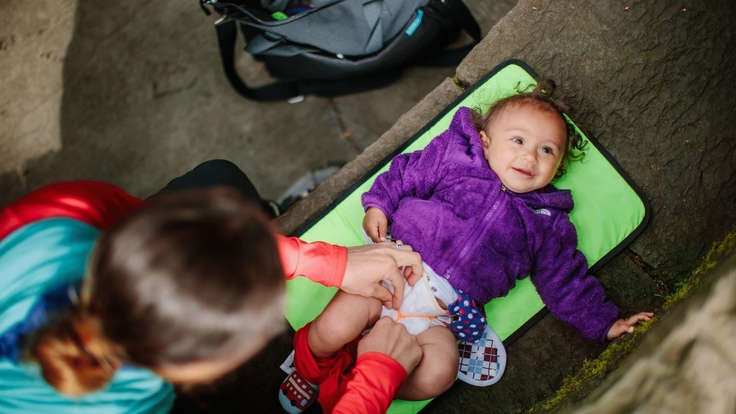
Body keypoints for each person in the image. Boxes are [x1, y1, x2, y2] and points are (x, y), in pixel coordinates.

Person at [284, 80, 654, 409]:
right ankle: (310, 366)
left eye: (547, 151)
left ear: (558, 166)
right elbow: (407, 172)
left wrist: (604, 323)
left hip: (442, 316)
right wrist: (378, 203)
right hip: (389, 276)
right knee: (331, 329)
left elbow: (566, 280)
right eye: (519, 140)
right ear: (486, 141)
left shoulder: (548, 222)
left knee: (440, 374)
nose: (530, 156)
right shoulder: (456, 158)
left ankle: (362, 381)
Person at [0, 159, 423, 413]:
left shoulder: (65, 214)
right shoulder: (134, 403)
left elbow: (174, 242)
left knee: (221, 176)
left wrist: (324, 260)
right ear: (194, 375)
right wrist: (371, 388)